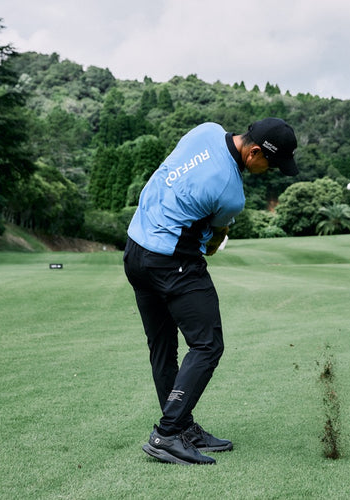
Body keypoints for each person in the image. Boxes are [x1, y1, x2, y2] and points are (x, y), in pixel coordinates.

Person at [123, 117, 298, 465]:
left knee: (162, 347)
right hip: (171, 261)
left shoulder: (205, 129)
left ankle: (183, 426)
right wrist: (217, 233)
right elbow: (212, 244)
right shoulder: (231, 195)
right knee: (207, 345)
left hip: (135, 249)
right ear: (254, 153)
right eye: (272, 164)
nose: (272, 171)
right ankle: (167, 434)